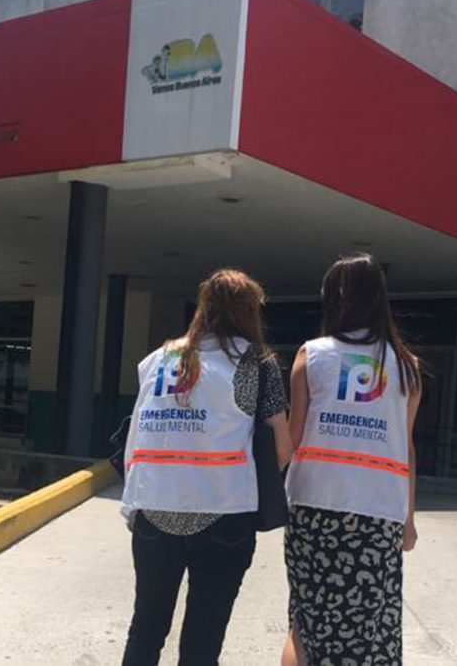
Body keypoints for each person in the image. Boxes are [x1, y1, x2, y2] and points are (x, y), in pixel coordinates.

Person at [121, 269, 293, 666]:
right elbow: (281, 447)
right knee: (202, 640)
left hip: (154, 508)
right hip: (224, 513)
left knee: (145, 630)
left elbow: (138, 435)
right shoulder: (255, 362)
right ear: (248, 311)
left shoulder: (156, 360)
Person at [281, 253, 422, 666]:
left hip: (313, 508)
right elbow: (406, 448)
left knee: (305, 620)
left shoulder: (311, 355)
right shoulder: (406, 366)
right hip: (378, 512)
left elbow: (293, 436)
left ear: (335, 299)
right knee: (370, 627)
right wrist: (408, 518)